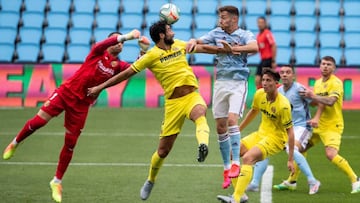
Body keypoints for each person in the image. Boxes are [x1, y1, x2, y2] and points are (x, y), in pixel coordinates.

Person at [87, 20, 233, 201]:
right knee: (163, 152)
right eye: (169, 29)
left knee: (200, 113)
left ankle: (203, 145)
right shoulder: (151, 56)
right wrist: (100, 87)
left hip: (192, 96)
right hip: (173, 105)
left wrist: (224, 50)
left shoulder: (180, 44)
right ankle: (150, 180)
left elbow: (204, 49)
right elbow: (125, 74)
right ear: (162, 35)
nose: (173, 31)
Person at [2, 29, 147, 203]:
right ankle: (15, 143)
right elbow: (101, 44)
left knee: (70, 144)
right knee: (39, 122)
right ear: (110, 43)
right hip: (66, 93)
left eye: (122, 43)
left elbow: (134, 69)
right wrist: (127, 36)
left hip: (82, 105)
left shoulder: (118, 65)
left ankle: (57, 181)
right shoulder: (97, 52)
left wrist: (143, 51)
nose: (120, 44)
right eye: (117, 41)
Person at [187, 5, 258, 189]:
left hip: (238, 83)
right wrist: (194, 41)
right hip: (220, 83)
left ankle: (236, 164)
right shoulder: (216, 33)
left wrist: (234, 49)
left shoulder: (244, 34)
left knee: (232, 120)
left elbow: (255, 47)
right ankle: (226, 168)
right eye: (220, 17)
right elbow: (200, 41)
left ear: (234, 19)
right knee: (220, 127)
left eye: (224, 17)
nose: (221, 20)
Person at [217, 68, 295, 203]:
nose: (264, 83)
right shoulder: (259, 94)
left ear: (276, 83)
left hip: (276, 139)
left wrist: (290, 159)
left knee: (248, 158)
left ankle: (235, 199)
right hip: (261, 134)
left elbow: (291, 132)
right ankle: (241, 195)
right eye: (263, 80)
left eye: (268, 80)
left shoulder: (284, 105)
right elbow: (253, 111)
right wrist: (238, 129)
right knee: (232, 153)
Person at [246, 65, 321, 195]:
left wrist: (314, 101)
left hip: (301, 127)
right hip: (284, 129)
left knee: (291, 149)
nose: (285, 74)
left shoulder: (299, 89)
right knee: (263, 148)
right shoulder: (278, 91)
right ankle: (254, 183)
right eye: (282, 72)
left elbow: (316, 103)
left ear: (293, 75)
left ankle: (312, 181)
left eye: (288, 72)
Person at [293, 56, 360, 194]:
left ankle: (356, 180)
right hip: (318, 125)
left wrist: (313, 96)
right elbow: (318, 103)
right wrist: (305, 97)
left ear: (334, 68)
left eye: (329, 64)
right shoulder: (317, 83)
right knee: (299, 149)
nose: (325, 66)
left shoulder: (336, 83)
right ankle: (291, 181)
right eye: (323, 64)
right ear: (319, 66)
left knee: (330, 154)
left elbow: (330, 101)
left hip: (332, 126)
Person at [255, 16, 277, 89]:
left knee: (268, 80)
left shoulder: (267, 33)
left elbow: (273, 45)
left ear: (265, 24)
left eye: (261, 22)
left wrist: (273, 61)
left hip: (268, 60)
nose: (260, 24)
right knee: (257, 79)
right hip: (263, 60)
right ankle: (259, 95)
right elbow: (257, 49)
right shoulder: (258, 36)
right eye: (259, 22)